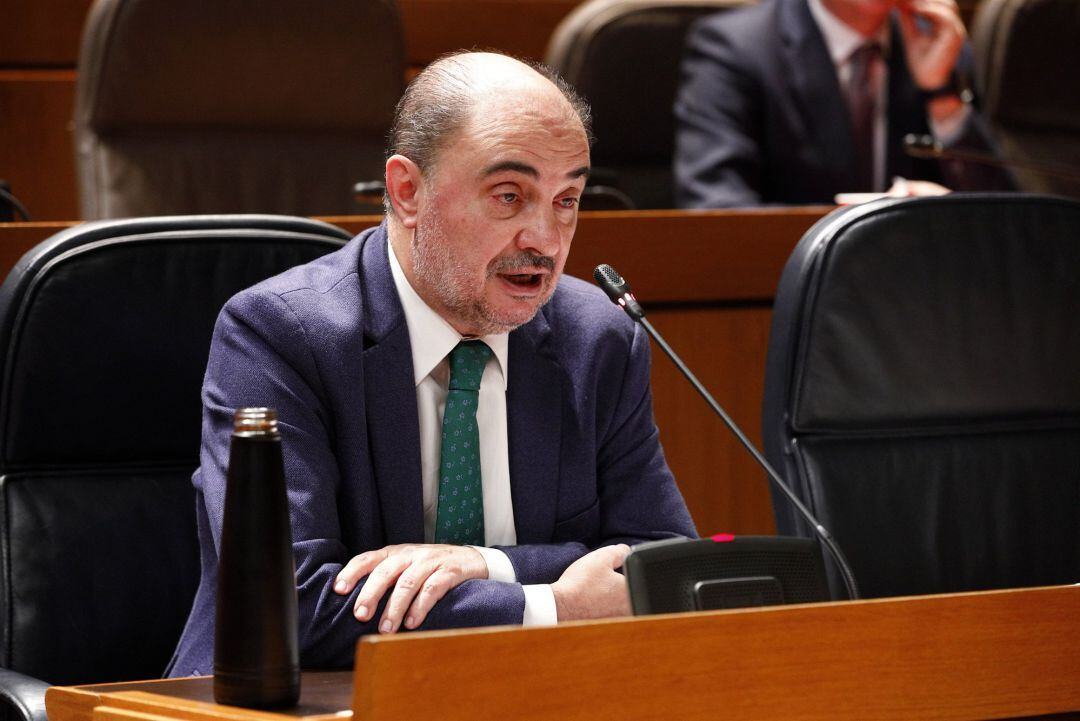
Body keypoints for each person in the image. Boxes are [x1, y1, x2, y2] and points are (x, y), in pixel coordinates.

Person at [167, 51, 696, 676]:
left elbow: (663, 565)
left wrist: (488, 565)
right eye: (509, 195)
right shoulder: (282, 334)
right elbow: (291, 605)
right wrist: (550, 604)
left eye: (567, 199)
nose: (547, 240)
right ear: (407, 191)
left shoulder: (597, 338)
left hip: (534, 696)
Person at [674, 0, 1014, 208]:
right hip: (784, 296)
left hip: (918, 293)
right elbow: (712, 205)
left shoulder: (940, 44)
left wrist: (941, 96)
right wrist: (876, 216)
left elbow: (1006, 221)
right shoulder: (735, 48)